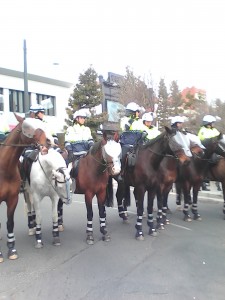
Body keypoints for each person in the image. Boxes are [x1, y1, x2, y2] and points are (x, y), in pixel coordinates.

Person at [198, 115, 220, 191]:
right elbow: (203, 140)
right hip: (206, 148)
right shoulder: (203, 130)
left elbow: (220, 137)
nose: (213, 124)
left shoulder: (214, 130)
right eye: (212, 123)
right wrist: (212, 140)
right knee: (211, 159)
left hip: (215, 148)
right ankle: (204, 179)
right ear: (208, 123)